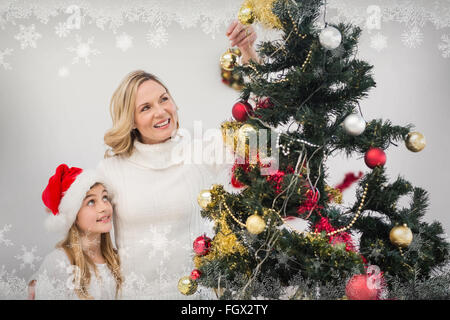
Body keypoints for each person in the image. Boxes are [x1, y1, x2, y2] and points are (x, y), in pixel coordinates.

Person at [95, 20, 259, 299]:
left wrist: (248, 53)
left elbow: (256, 127)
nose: (160, 112)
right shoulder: (110, 171)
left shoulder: (198, 152)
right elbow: (89, 246)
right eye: (146, 108)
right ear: (131, 121)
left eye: (164, 99)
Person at [28, 164, 123, 300]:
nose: (104, 207)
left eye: (105, 197)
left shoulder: (115, 259)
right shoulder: (59, 263)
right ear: (74, 217)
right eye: (91, 202)